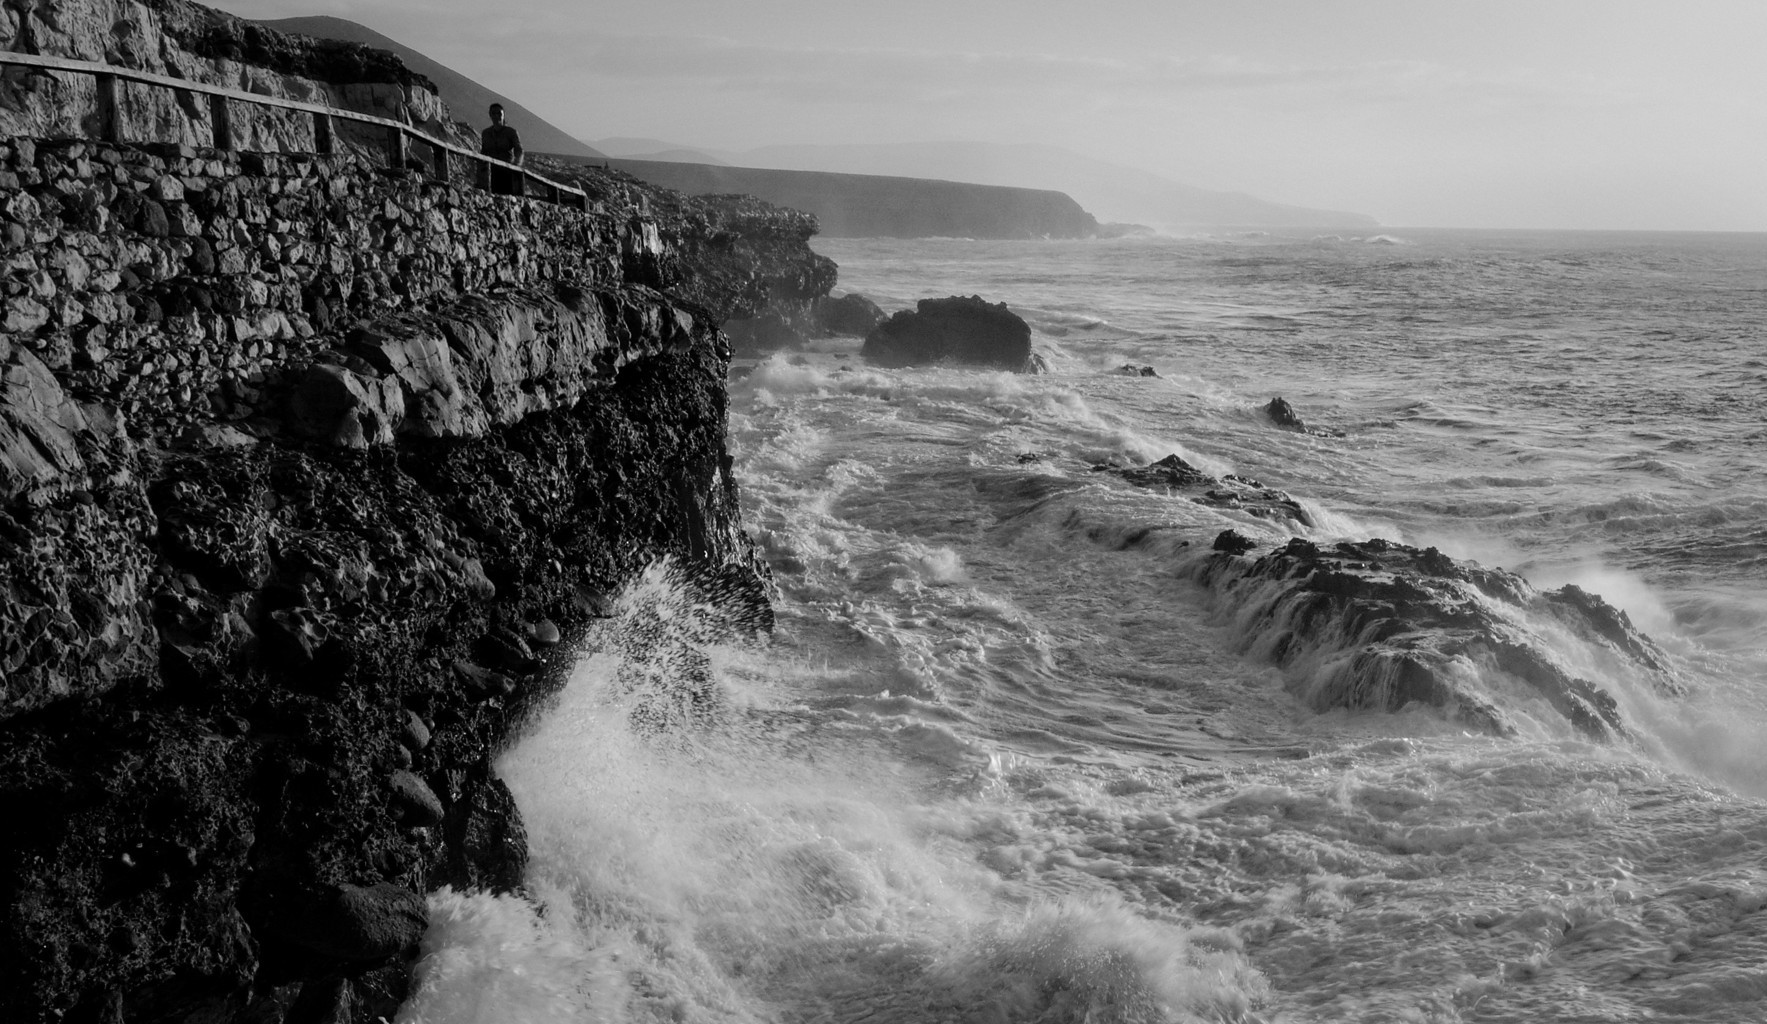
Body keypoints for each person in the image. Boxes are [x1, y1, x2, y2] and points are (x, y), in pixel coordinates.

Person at [479, 103, 524, 196]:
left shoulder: (511, 132)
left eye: (499, 113)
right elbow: (483, 151)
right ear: (490, 115)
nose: (496, 116)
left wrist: (516, 165)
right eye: (493, 113)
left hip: (507, 172)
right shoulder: (486, 133)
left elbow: (519, 150)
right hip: (491, 172)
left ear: (504, 115)